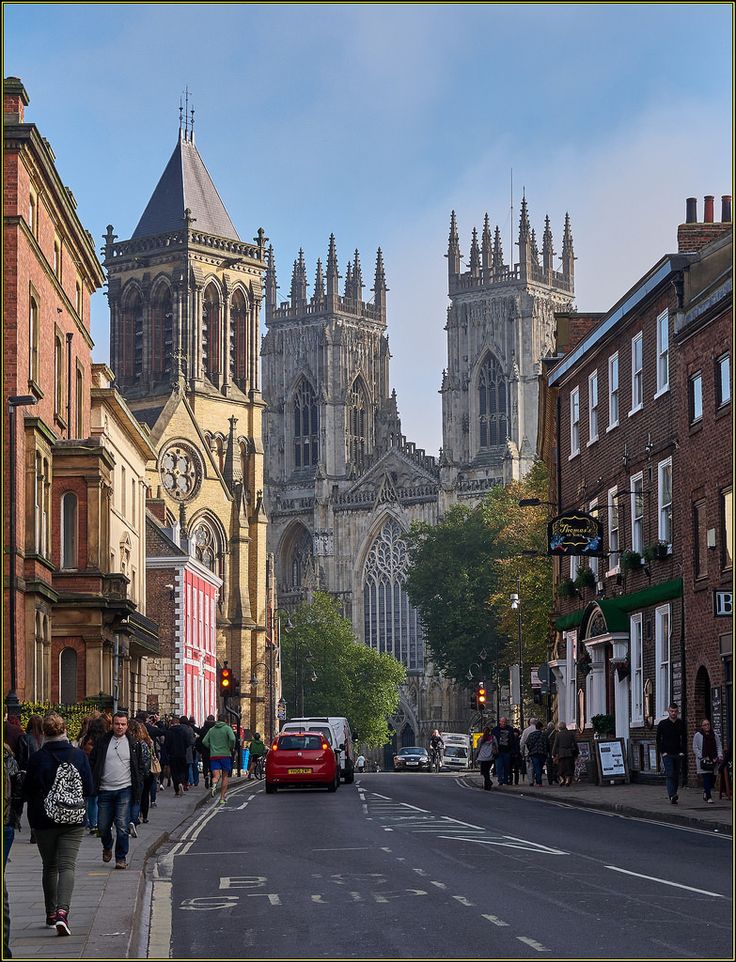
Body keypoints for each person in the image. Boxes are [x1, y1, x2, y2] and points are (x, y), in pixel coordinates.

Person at [22, 712, 93, 936]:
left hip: (44, 820)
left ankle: (51, 914)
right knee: (67, 866)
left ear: (43, 732)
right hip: (73, 820)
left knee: (50, 866)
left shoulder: (37, 758)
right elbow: (90, 788)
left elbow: (27, 792)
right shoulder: (79, 756)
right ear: (65, 730)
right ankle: (63, 912)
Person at [90, 712, 143, 870]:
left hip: (124, 789)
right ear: (111, 725)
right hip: (105, 789)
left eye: (123, 724)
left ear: (127, 726)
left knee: (122, 825)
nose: (119, 727)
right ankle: (107, 845)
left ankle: (121, 857)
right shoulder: (102, 742)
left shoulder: (133, 744)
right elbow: (93, 762)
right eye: (117, 724)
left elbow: (140, 766)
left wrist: (138, 784)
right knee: (103, 826)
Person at [78, 717, 108, 836]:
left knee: (91, 799)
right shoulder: (105, 740)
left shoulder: (86, 740)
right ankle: (101, 823)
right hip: (102, 771)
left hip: (88, 771)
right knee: (102, 800)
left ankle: (93, 824)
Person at [656, 702, 687, 804]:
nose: (673, 713)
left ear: (677, 712)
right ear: (668, 711)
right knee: (670, 774)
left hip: (678, 753)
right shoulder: (662, 724)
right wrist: (662, 752)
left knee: (676, 774)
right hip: (667, 754)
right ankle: (672, 795)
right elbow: (658, 739)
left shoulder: (681, 723)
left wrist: (682, 751)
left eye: (675, 711)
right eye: (671, 711)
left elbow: (684, 738)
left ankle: (674, 794)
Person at [202, 715, 237, 804]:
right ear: (225, 720)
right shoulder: (227, 728)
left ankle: (214, 785)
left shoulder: (212, 730)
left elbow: (204, 741)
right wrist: (230, 747)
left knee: (216, 776)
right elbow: (233, 738)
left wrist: (211, 747)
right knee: (225, 776)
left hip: (214, 755)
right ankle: (222, 798)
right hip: (225, 755)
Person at [128, 720, 153, 830]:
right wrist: (144, 774)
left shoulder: (126, 742)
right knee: (137, 799)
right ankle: (134, 820)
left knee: (127, 799)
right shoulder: (143, 743)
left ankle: (129, 820)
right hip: (139, 776)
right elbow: (147, 760)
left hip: (127, 775)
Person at [692, 718, 723, 804]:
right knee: (706, 778)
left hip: (713, 760)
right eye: (705, 725)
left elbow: (719, 746)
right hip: (704, 760)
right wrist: (701, 756)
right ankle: (709, 797)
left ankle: (706, 791)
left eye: (708, 724)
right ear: (702, 726)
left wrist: (719, 755)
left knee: (712, 779)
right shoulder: (698, 735)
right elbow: (695, 747)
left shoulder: (715, 735)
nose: (707, 726)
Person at [163, 716, 190, 796]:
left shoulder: (169, 732)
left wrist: (168, 752)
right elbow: (187, 743)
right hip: (182, 754)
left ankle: (177, 790)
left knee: (174, 772)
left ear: (172, 724)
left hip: (172, 755)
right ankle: (181, 782)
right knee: (182, 770)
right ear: (178, 723)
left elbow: (166, 744)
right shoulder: (183, 731)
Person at [550, 722, 578, 786]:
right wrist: (577, 752)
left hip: (561, 753)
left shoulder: (558, 734)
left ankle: (562, 779)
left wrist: (553, 754)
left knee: (561, 767)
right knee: (569, 767)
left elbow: (555, 745)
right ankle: (567, 780)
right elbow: (575, 743)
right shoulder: (571, 734)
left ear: (559, 728)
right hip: (569, 753)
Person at [491, 718, 514, 785]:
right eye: (502, 722)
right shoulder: (495, 729)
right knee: (499, 766)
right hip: (498, 751)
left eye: (505, 722)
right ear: (500, 722)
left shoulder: (510, 729)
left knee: (507, 766)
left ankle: (505, 780)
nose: (504, 723)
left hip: (507, 750)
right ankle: (500, 780)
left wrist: (512, 749)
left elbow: (512, 740)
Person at [525, 720, 548, 787]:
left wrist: (530, 750)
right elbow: (546, 744)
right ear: (541, 727)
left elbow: (527, 743)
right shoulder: (544, 735)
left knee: (536, 766)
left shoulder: (531, 735)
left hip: (534, 753)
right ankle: (538, 781)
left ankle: (538, 781)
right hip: (542, 753)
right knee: (540, 767)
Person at [197, 715, 216, 789]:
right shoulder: (215, 729)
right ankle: (211, 780)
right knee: (212, 766)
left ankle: (206, 776)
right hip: (214, 750)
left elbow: (199, 741)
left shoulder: (203, 729)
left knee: (205, 765)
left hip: (204, 750)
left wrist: (200, 750)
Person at [519, 717, 538, 785]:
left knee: (529, 766)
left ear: (529, 723)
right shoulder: (538, 730)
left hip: (528, 751)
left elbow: (522, 742)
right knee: (537, 765)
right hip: (537, 750)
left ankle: (531, 781)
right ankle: (537, 778)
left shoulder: (526, 731)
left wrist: (521, 751)